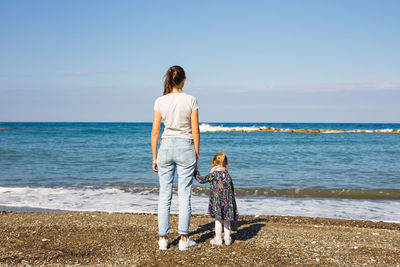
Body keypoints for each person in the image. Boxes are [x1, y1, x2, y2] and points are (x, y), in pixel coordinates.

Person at [151, 65, 200, 250]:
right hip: (185, 146)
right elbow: (195, 130)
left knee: (164, 195)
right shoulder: (191, 100)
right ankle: (184, 240)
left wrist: (154, 157)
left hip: (165, 147)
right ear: (184, 80)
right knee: (184, 194)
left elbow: (155, 132)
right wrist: (196, 153)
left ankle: (163, 239)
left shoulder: (159, 101)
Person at [194, 152, 238, 246]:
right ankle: (227, 239)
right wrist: (232, 204)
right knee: (227, 220)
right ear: (226, 164)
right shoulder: (227, 175)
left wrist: (195, 172)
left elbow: (202, 180)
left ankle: (218, 239)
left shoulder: (213, 174)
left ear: (213, 163)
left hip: (217, 201)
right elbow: (232, 189)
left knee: (218, 220)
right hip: (228, 201)